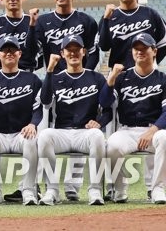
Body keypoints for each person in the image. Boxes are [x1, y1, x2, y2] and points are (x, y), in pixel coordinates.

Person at [37, 34, 112, 206]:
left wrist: (99, 122)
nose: (73, 53)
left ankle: (94, 190)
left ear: (84, 52)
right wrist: (49, 71)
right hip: (62, 132)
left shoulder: (96, 78)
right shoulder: (55, 78)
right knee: (45, 136)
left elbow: (108, 110)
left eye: (76, 49)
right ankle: (52, 190)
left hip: (85, 133)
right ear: (62, 53)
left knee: (98, 136)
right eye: (68, 50)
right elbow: (45, 101)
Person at [0, 38, 43, 206]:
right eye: (4, 50)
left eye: (13, 50)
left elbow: (38, 108)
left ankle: (28, 190)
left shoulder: (32, 79)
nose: (9, 53)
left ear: (19, 54)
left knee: (31, 138)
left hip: (21, 133)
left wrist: (33, 124)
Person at [103, 32, 166, 204]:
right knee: (113, 145)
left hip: (154, 130)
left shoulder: (163, 79)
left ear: (154, 51)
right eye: (136, 48)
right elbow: (105, 102)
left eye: (144, 48)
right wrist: (110, 80)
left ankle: (157, 189)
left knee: (165, 138)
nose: (139, 51)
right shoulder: (122, 77)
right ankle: (120, 189)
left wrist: (152, 131)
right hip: (127, 130)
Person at [29, 0, 100, 74]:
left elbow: (93, 53)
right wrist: (32, 26)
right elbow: (31, 51)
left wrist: (85, 75)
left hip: (80, 80)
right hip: (55, 80)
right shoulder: (42, 22)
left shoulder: (86, 20)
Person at [98, 0, 166, 70]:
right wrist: (105, 19)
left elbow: (164, 43)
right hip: (120, 74)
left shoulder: (151, 14)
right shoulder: (109, 17)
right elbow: (104, 47)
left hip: (146, 73)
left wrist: (152, 63)